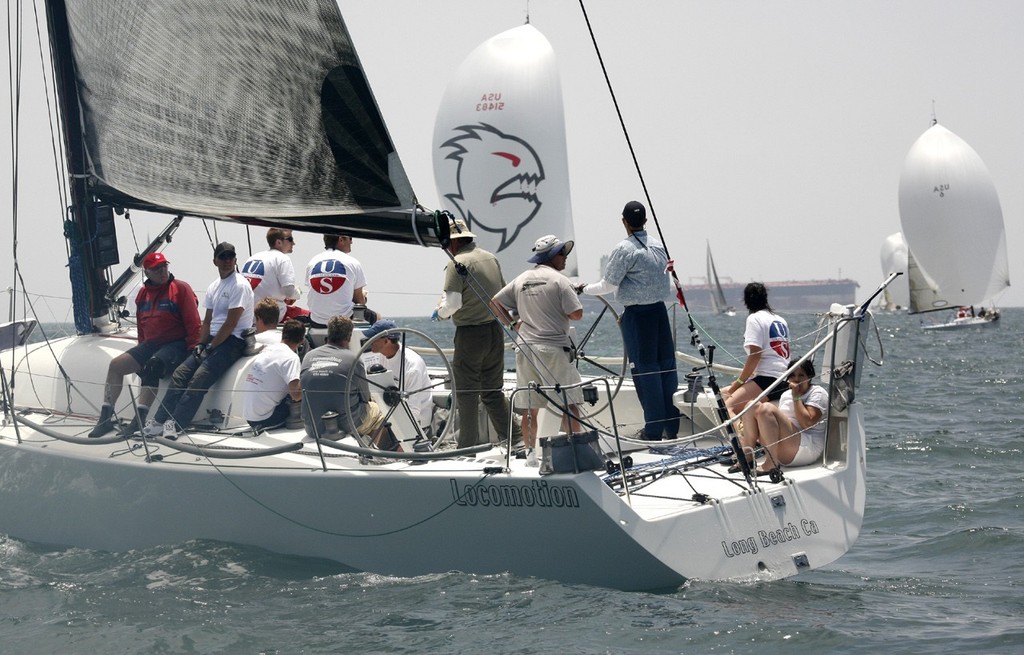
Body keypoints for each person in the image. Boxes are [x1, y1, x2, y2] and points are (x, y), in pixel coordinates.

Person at [576, 201, 680, 440]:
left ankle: (653, 431)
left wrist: (582, 288)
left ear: (624, 222)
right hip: (659, 313)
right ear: (645, 221)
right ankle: (671, 428)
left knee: (646, 372)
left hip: (638, 317)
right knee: (667, 367)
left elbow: (607, 286)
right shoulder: (658, 246)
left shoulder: (624, 249)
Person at [491, 235, 584, 466]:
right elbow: (577, 314)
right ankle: (577, 452)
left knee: (530, 407)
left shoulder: (521, 279)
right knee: (569, 402)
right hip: (552, 349)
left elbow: (495, 303)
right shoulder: (560, 281)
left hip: (524, 348)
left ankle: (531, 455)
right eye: (563, 253)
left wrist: (513, 324)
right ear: (553, 256)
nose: (565, 258)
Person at [147, 242, 255, 437]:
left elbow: (230, 324)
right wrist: (200, 344)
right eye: (223, 257)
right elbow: (207, 321)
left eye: (231, 256)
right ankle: (158, 421)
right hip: (212, 340)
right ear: (215, 261)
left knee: (198, 380)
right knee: (180, 373)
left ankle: (175, 425)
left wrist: (211, 347)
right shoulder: (214, 286)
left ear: (236, 260)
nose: (227, 261)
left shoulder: (239, 285)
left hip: (232, 341)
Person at [89, 252, 202, 437]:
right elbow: (142, 327)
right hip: (151, 343)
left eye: (164, 266)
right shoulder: (143, 294)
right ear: (147, 272)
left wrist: (194, 352)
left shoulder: (180, 289)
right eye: (157, 269)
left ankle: (139, 420)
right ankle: (105, 418)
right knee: (116, 365)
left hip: (176, 343)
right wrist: (140, 355)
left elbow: (193, 323)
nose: (162, 271)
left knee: (152, 366)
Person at [433, 216, 520, 448]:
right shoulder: (490, 258)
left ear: (451, 243)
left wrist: (439, 312)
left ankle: (467, 447)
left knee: (466, 393)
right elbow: (503, 296)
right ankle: (515, 438)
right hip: (495, 333)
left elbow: (452, 305)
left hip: (470, 335)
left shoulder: (457, 263)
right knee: (492, 391)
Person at [300, 315, 392, 448]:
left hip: (312, 426)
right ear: (349, 337)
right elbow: (365, 398)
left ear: (329, 334)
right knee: (379, 411)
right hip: (345, 425)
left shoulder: (309, 356)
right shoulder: (354, 359)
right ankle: (369, 453)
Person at [732, 359, 827, 474]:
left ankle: (771, 463)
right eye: (792, 375)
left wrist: (796, 397)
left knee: (766, 408)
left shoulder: (818, 393)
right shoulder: (786, 394)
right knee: (752, 404)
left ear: (810, 376)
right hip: (787, 446)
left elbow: (807, 423)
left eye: (801, 375)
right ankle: (748, 456)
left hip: (806, 449)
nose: (796, 379)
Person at [724, 282, 790, 417]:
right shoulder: (781, 320)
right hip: (784, 380)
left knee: (728, 407)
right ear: (765, 298)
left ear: (746, 301)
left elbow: (755, 355)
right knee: (723, 392)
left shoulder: (754, 319)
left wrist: (739, 383)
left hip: (768, 381)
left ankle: (741, 438)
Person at [361, 319, 434, 434]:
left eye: (373, 338)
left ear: (386, 341)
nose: (369, 341)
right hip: (392, 416)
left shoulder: (412, 366)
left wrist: (403, 443)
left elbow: (413, 410)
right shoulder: (383, 356)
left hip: (417, 426)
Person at [242, 319, 304, 432]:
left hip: (249, 417)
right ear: (301, 340)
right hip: (265, 419)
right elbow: (296, 395)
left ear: (283, 335)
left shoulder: (267, 349)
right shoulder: (291, 358)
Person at [305, 234, 367, 326]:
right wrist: (364, 297)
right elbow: (359, 301)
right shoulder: (353, 262)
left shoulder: (312, 262)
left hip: (317, 321)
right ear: (341, 239)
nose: (351, 242)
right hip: (344, 320)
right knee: (377, 316)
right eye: (350, 238)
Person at [241, 227, 301, 322]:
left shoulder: (252, 258)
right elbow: (288, 292)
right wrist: (298, 292)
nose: (293, 243)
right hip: (272, 316)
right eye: (290, 239)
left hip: (247, 316)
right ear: (278, 242)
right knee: (311, 317)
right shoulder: (283, 259)